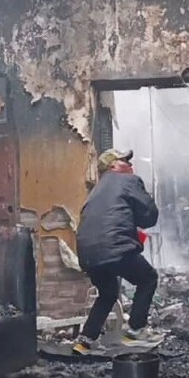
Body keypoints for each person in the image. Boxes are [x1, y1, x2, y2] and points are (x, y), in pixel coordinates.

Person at [73, 148, 162, 355]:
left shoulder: (95, 191)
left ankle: (84, 341)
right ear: (113, 166)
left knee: (108, 293)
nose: (130, 165)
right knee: (148, 278)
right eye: (125, 161)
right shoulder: (128, 181)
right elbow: (150, 215)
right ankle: (135, 331)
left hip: (87, 254)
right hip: (114, 246)